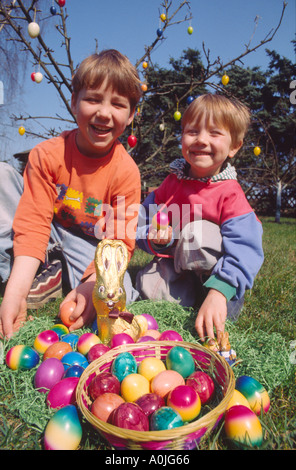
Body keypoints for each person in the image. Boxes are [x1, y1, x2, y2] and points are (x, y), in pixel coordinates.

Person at [0, 49, 142, 338]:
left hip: (92, 245)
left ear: (130, 116)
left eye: (117, 104)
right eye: (92, 99)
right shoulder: (46, 155)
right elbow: (33, 223)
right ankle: (22, 279)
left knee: (118, 285)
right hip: (49, 229)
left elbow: (119, 242)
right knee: (2, 174)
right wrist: (15, 291)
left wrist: (92, 287)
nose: (104, 112)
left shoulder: (126, 172)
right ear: (74, 102)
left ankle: (55, 278)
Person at [136, 93, 264, 343]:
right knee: (147, 289)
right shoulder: (171, 183)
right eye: (192, 131)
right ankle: (187, 295)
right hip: (177, 267)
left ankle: (213, 297)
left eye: (214, 133)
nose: (201, 140)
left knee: (199, 231)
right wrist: (154, 238)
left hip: (217, 276)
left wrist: (221, 290)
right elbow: (141, 223)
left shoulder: (229, 192)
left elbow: (246, 249)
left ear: (234, 146)